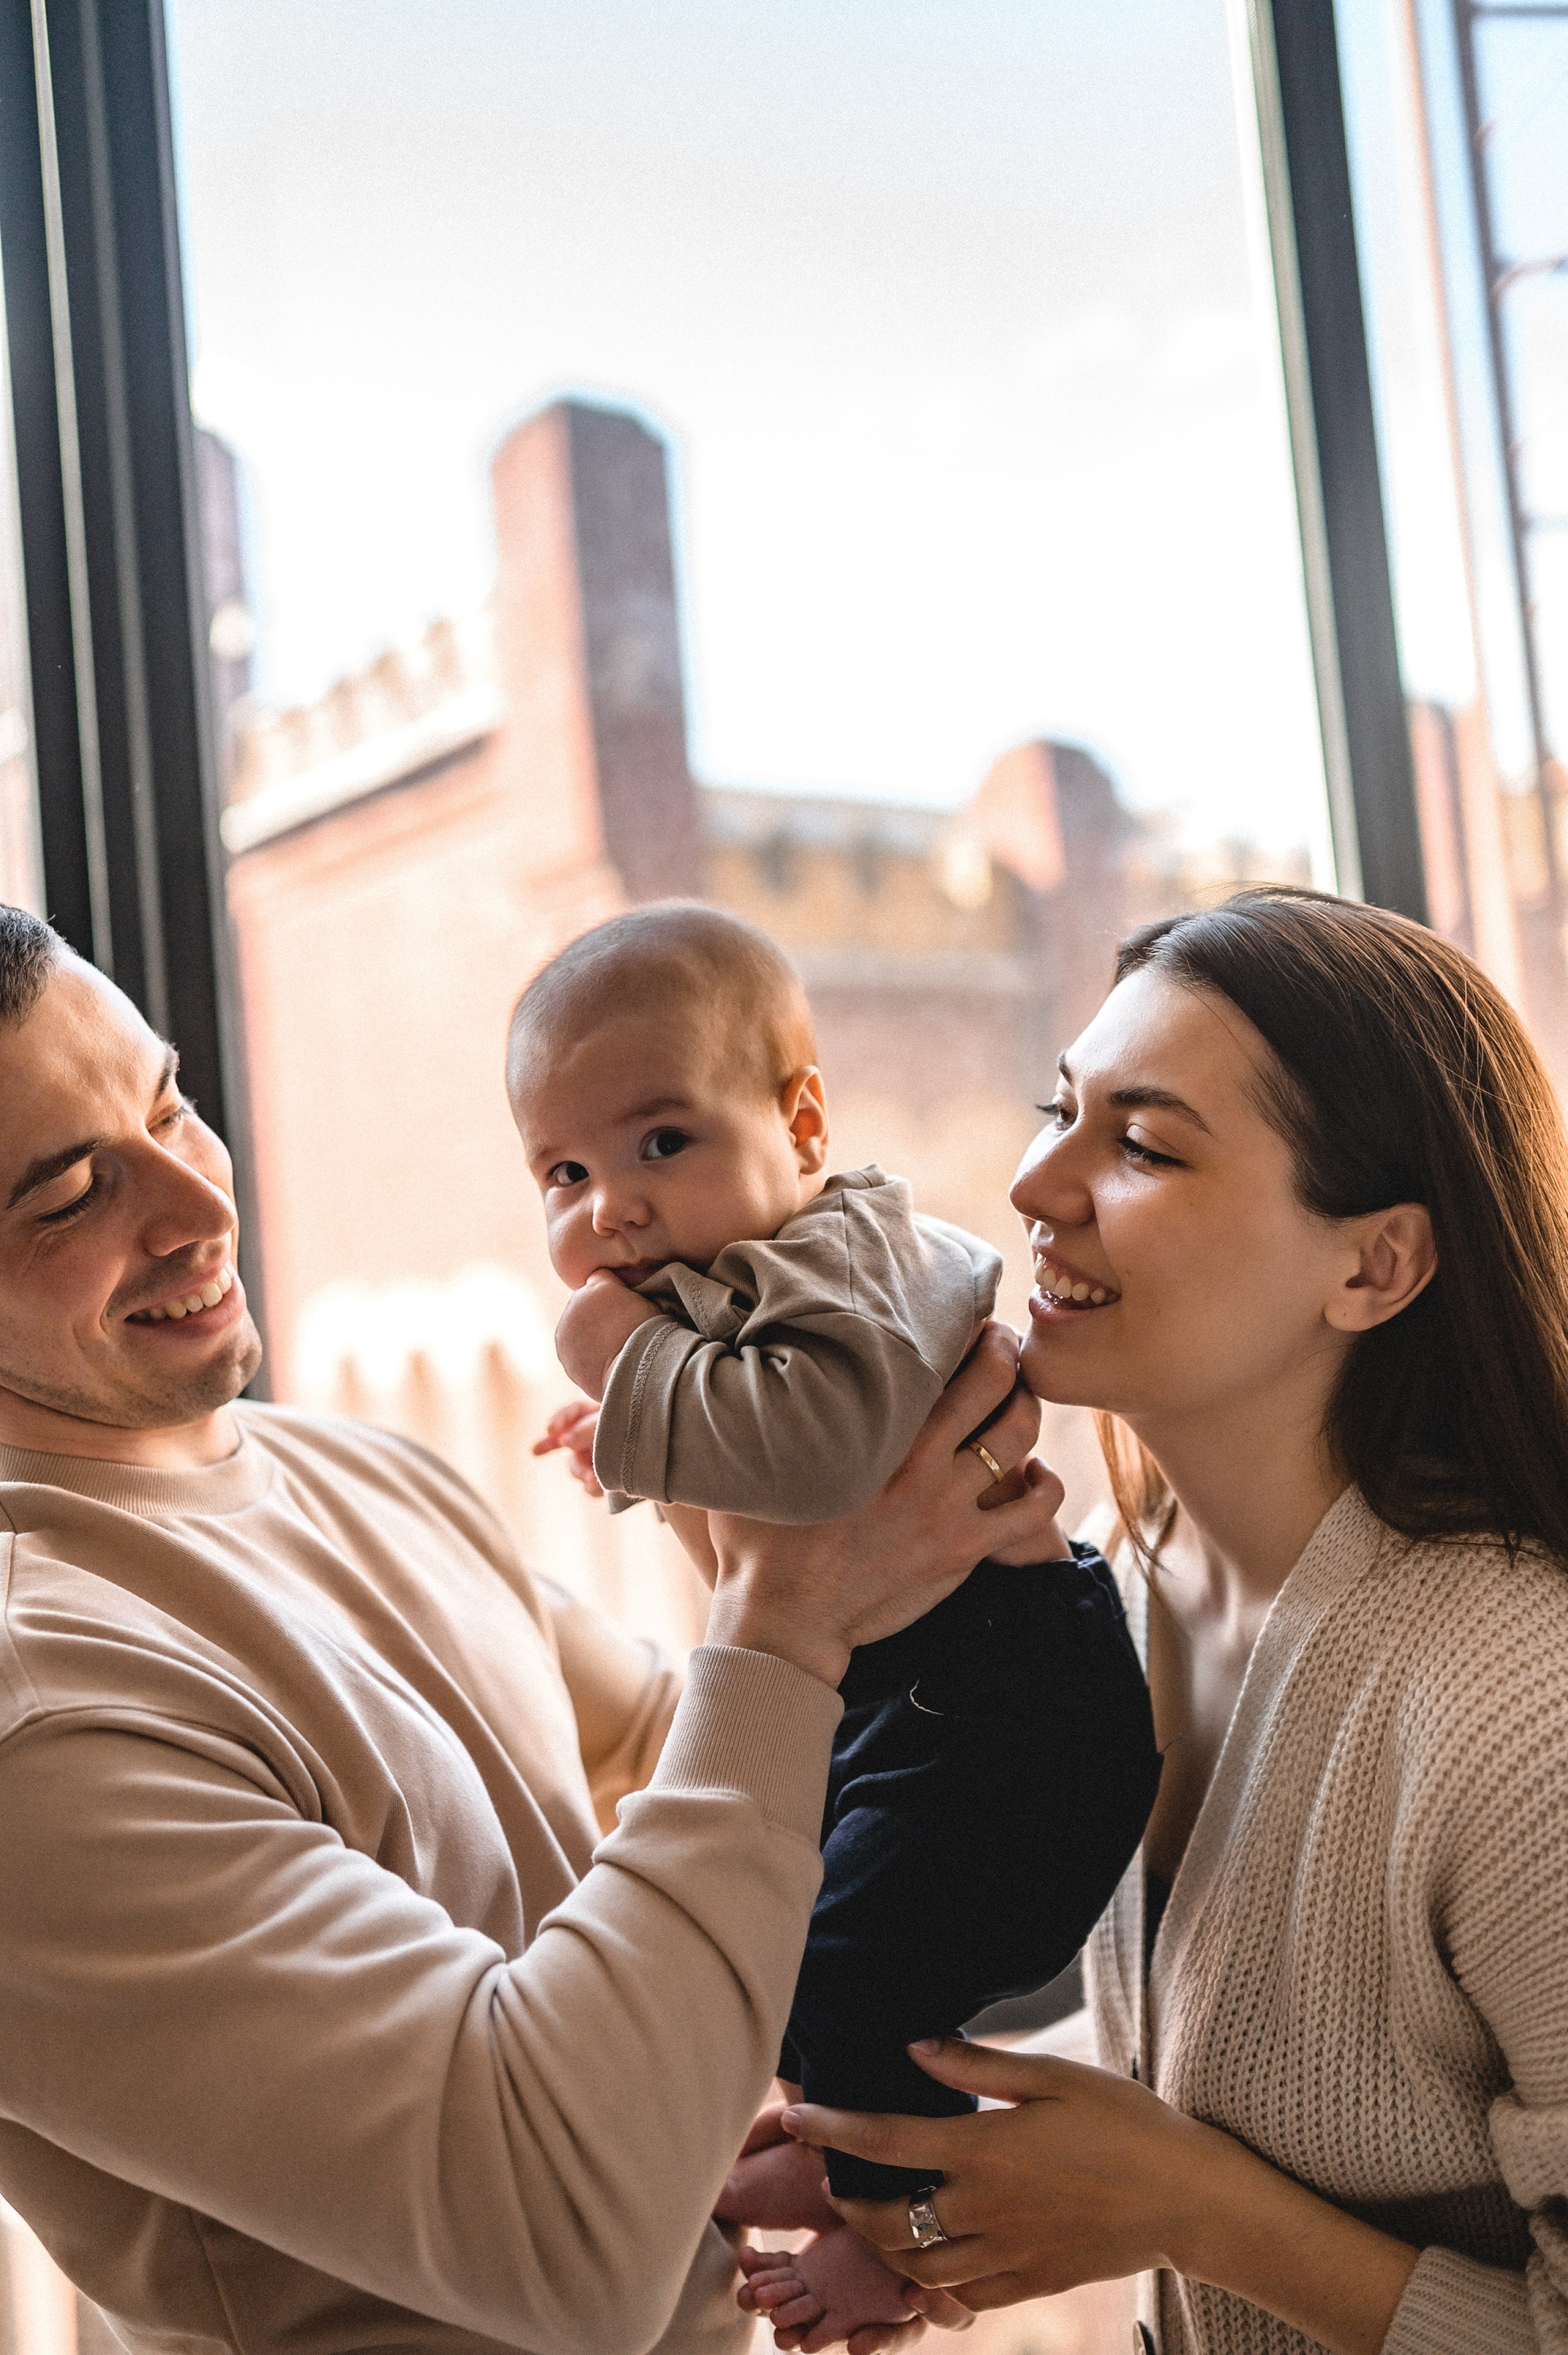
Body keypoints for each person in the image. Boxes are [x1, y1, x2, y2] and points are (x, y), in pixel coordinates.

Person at [0, 902, 1064, 2355]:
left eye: (170, 1103)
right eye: (70, 1196)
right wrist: (789, 1607)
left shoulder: (356, 1472)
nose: (196, 1202)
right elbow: (571, 2237)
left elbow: (694, 1761)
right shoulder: (37, 1724)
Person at [742, 889, 1568, 2355]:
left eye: (1142, 1145)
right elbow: (1273, 2071)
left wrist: (1191, 2211)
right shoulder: (1128, 1588)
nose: (1033, 1181)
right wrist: (927, 2135)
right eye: (1057, 1109)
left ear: (1372, 1264)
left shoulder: (1523, 1720)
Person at [508, 904, 1160, 2346]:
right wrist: (633, 1428)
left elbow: (808, 1453)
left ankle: (891, 2228)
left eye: (659, 1140)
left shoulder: (846, 1258)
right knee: (786, 1940)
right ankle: (837, 2134)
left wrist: (614, 1358)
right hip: (907, 1700)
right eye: (565, 1171)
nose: (609, 1207)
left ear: (800, 1124)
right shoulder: (737, 1278)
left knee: (852, 1960)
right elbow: (752, 1469)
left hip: (1007, 1705)